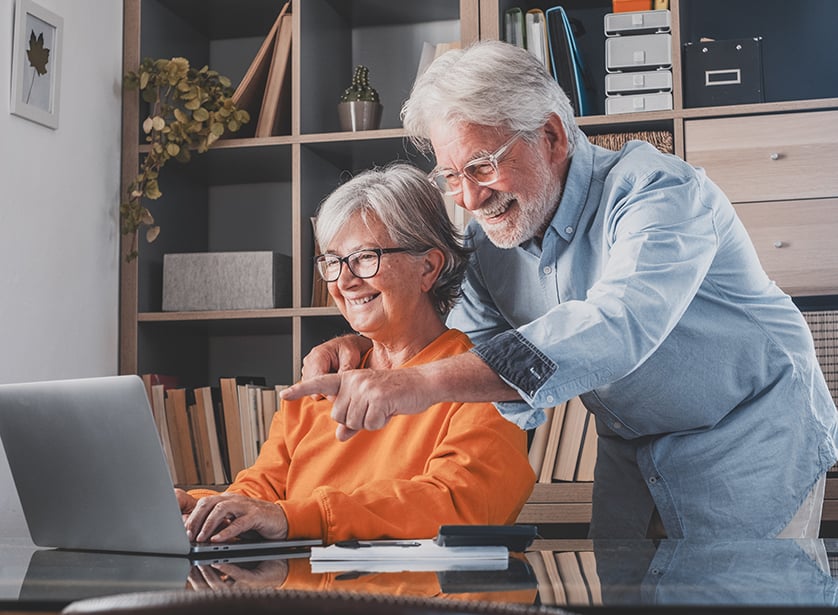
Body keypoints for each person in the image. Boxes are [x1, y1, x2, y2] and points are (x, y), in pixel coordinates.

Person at [282, 40, 838, 539]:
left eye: (481, 165)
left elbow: (619, 324)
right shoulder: (488, 247)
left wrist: (415, 381)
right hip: (633, 444)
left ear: (550, 135)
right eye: (452, 177)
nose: (470, 200)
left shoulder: (658, 191)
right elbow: (467, 360)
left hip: (747, 431)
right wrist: (371, 351)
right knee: (619, 596)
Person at [178, 161, 535, 545]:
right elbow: (264, 488)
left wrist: (300, 516)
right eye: (332, 261)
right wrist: (198, 509)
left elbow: (457, 504)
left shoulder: (478, 384)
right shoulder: (324, 376)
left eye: (365, 257)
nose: (345, 281)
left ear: (428, 267)